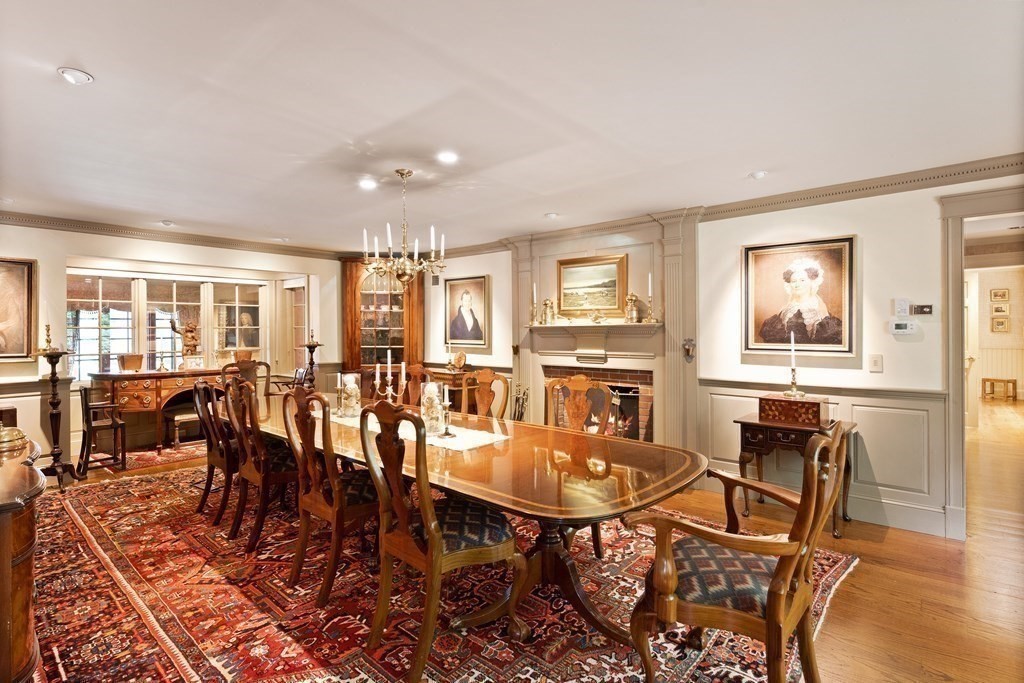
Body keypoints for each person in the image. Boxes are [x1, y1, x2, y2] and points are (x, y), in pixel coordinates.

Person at [758, 257, 842, 345]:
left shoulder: (818, 308)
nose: (797, 285)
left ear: (812, 282)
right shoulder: (786, 308)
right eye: (794, 281)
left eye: (802, 280)